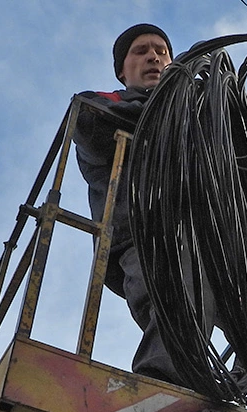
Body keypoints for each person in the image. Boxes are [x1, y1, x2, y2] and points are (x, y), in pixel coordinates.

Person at [73, 23, 183, 384]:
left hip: (211, 238)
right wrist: (175, 113)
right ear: (122, 70)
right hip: (142, 237)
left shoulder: (201, 117)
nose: (154, 56)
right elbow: (91, 124)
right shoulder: (105, 103)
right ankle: (161, 381)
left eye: (162, 51)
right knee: (173, 290)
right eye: (141, 51)